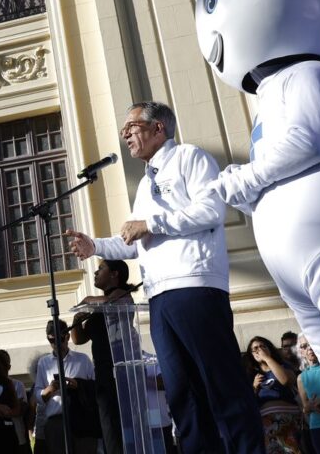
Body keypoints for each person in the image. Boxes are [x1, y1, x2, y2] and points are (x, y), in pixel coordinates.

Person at [194, 0, 320, 447]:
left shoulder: (311, 73)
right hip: (298, 267)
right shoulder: (268, 100)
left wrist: (244, 179)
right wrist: (248, 190)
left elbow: (308, 139)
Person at [67, 101, 265, 453]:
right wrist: (94, 244)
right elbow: (133, 239)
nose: (125, 134)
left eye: (132, 126)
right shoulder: (145, 185)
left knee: (222, 386)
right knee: (182, 394)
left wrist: (151, 223)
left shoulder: (190, 158)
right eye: (124, 129)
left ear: (158, 128)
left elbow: (210, 210)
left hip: (195, 285)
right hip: (159, 297)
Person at [70, 259, 138, 454]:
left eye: (101, 269)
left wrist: (86, 300)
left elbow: (109, 301)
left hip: (119, 368)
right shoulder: (97, 308)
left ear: (115, 274)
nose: (95, 273)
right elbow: (79, 339)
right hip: (102, 369)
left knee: (118, 421)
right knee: (108, 424)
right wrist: (77, 318)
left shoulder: (122, 295)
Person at [247, 336, 304, 451]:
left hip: (289, 420)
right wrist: (254, 387)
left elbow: (285, 380)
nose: (259, 350)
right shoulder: (251, 375)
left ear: (270, 349)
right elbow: (248, 403)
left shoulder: (283, 366)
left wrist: (267, 359)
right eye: (255, 348)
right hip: (267, 424)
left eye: (262, 346)